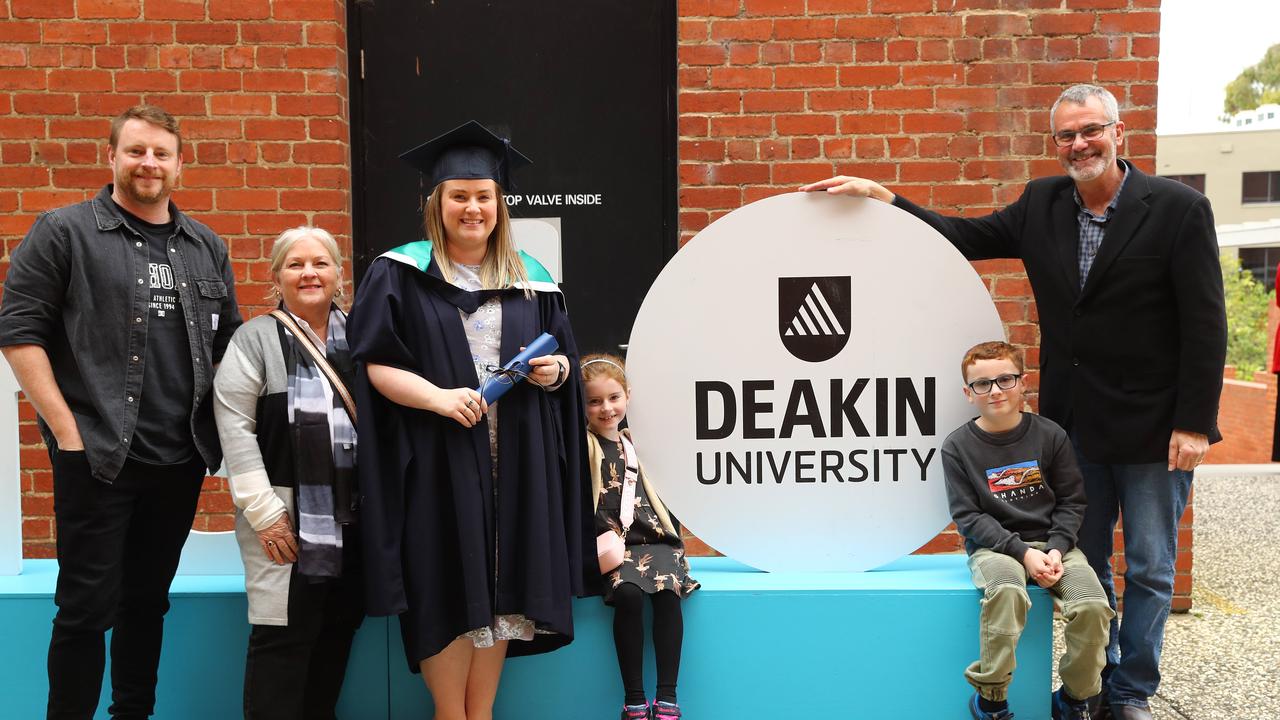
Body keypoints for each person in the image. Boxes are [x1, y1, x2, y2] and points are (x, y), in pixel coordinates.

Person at [802, 84, 1228, 720]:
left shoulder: (1177, 209)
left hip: (1153, 426)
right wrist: (885, 199)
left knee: (1151, 567)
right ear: (1055, 144)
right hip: (1073, 425)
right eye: (1066, 135)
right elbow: (962, 235)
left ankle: (1132, 692)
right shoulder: (1042, 204)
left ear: (1119, 132)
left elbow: (1206, 323)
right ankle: (1091, 685)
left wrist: (1195, 422)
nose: (1079, 144)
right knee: (1084, 562)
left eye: (1091, 130)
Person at [0, 104, 242, 720]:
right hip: (99, 456)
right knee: (85, 608)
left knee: (148, 603)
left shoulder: (205, 247)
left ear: (179, 164)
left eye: (161, 153)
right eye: (135, 150)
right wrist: (66, 432)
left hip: (178, 458)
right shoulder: (64, 232)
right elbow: (20, 332)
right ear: (111, 157)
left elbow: (229, 349)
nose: (148, 163)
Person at [348, 120, 595, 720]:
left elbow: (564, 362)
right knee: (444, 581)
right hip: (436, 459)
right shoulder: (399, 274)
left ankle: (478, 715)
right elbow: (375, 363)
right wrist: (437, 398)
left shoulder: (532, 280)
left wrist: (555, 372)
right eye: (459, 195)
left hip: (516, 461)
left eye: (484, 196)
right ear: (436, 202)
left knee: (502, 586)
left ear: (500, 204)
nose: (472, 208)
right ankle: (448, 714)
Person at [213, 226, 362, 719]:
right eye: (295, 264)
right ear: (276, 276)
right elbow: (235, 430)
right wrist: (264, 513)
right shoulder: (253, 339)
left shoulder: (363, 337)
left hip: (356, 519)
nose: (309, 273)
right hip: (283, 518)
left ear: (339, 274)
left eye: (320, 262)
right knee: (283, 637)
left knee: (338, 629)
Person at [943, 341, 1113, 720]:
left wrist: (1055, 548)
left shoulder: (1051, 436)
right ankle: (991, 699)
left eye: (1005, 379)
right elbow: (969, 517)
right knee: (1007, 594)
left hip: (1057, 548)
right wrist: (1022, 553)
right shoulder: (957, 447)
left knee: (1092, 605)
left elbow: (1072, 502)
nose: (996, 390)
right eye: (982, 384)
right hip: (995, 549)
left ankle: (1074, 699)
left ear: (1023, 383)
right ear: (968, 394)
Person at [581, 354, 699, 720]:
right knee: (628, 595)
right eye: (594, 401)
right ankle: (634, 699)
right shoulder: (581, 445)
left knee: (667, 594)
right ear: (581, 404)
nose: (606, 408)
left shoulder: (639, 443)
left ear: (628, 396)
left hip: (656, 541)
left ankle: (667, 697)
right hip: (613, 546)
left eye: (614, 397)